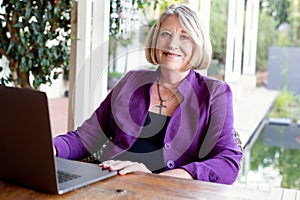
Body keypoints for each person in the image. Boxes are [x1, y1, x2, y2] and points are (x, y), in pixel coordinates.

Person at [53, 4, 243, 184]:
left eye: (184, 37)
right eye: (166, 34)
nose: (172, 44)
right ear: (155, 40)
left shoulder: (215, 93)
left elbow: (228, 162)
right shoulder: (131, 81)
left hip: (168, 192)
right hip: (111, 184)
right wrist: (50, 148)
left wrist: (161, 178)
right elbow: (87, 137)